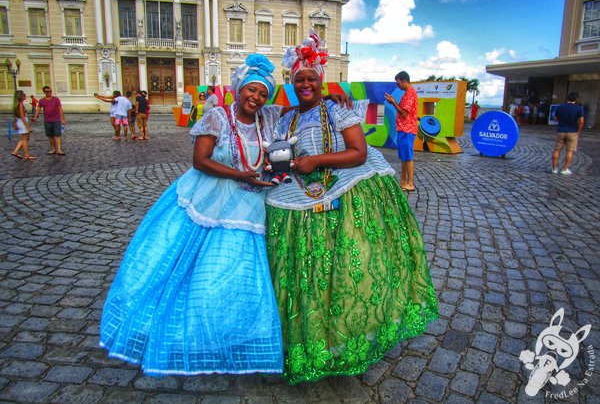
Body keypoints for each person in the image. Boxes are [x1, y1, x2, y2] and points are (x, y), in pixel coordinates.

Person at [266, 31, 438, 385]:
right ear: (291, 82)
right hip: (300, 198)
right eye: (299, 79)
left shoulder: (338, 110)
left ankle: (345, 338)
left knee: (349, 268)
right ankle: (310, 339)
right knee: (305, 271)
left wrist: (315, 159)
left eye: (312, 78)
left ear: (321, 80)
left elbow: (358, 153)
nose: (306, 84)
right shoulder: (285, 118)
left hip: (347, 190)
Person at [99, 54, 285, 376]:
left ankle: (229, 335)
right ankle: (193, 336)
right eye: (251, 90)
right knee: (195, 270)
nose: (256, 97)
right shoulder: (216, 117)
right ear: (239, 88)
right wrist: (241, 175)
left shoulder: (265, 119)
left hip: (249, 206)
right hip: (206, 198)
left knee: (236, 271)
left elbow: (299, 108)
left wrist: (333, 97)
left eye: (263, 93)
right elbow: (200, 160)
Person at [384, 71, 418, 192]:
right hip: (403, 129)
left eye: (398, 83)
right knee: (404, 157)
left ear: (404, 81)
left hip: (407, 129)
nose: (397, 86)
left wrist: (393, 102)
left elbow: (404, 113)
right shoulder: (406, 94)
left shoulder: (410, 94)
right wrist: (394, 101)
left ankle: (410, 183)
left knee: (408, 157)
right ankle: (403, 181)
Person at [551, 92, 584, 175]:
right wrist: (578, 130)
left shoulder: (561, 106)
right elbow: (581, 121)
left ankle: (554, 168)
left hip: (561, 130)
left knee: (557, 150)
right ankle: (564, 169)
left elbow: (555, 118)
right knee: (569, 151)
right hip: (572, 131)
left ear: (567, 98)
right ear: (576, 99)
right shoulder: (579, 108)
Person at [32, 85, 66, 156]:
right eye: (48, 92)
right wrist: (35, 117)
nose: (49, 93)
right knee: (50, 136)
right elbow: (38, 109)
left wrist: (62, 119)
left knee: (57, 135)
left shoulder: (56, 99)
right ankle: (53, 149)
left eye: (50, 91)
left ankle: (59, 149)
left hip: (56, 119)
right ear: (44, 92)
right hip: (47, 120)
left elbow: (60, 109)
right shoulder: (42, 101)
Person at [11, 90, 36, 160]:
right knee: (25, 139)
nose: (25, 96)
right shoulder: (21, 104)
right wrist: (28, 127)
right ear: (20, 96)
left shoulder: (18, 104)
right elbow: (22, 117)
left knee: (25, 138)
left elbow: (20, 115)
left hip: (20, 122)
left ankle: (15, 151)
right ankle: (26, 154)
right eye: (24, 95)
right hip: (22, 123)